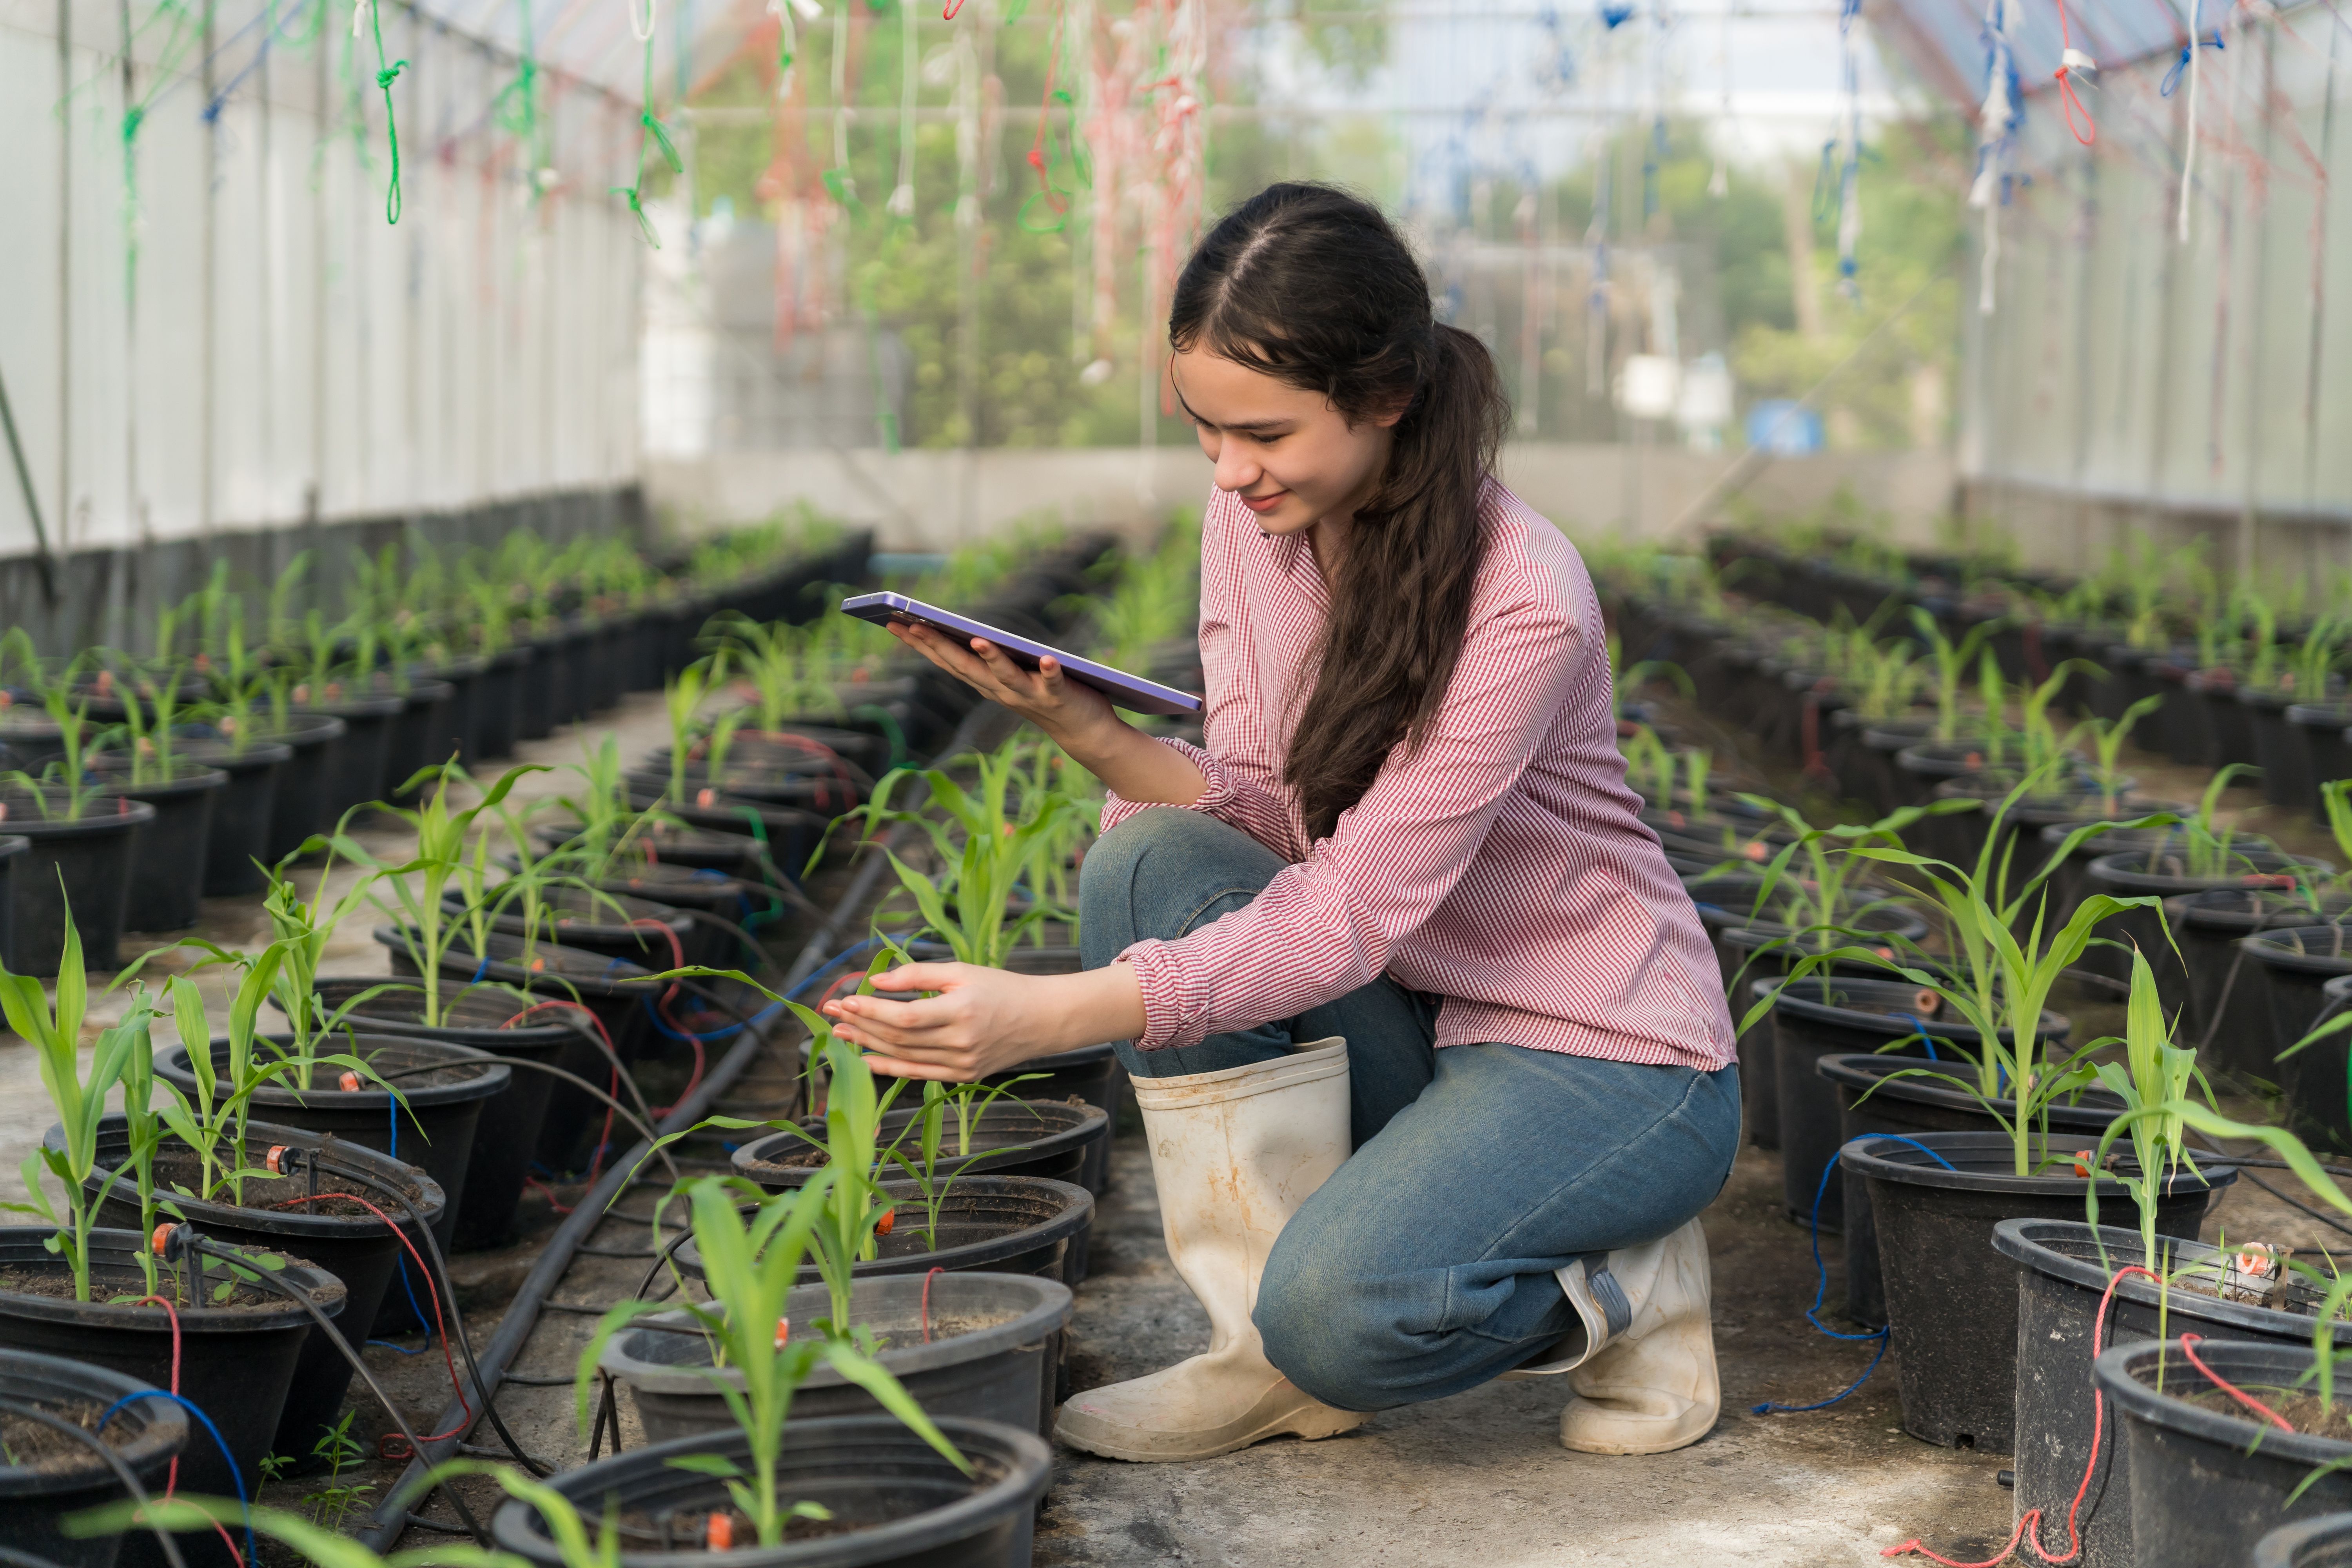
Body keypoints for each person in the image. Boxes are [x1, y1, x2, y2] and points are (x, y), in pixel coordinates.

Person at [819, 182, 1740, 1465]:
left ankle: (1625, 1289)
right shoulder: (1258, 525)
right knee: (1150, 863)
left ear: (1387, 398)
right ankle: (1260, 1357)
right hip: (1419, 1007)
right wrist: (1083, 725)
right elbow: (1266, 814)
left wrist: (1053, 1014)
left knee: (1347, 1315)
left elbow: (1352, 905)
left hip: (1599, 1056)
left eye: (1263, 432)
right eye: (1203, 431)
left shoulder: (1524, 599)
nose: (1229, 469)